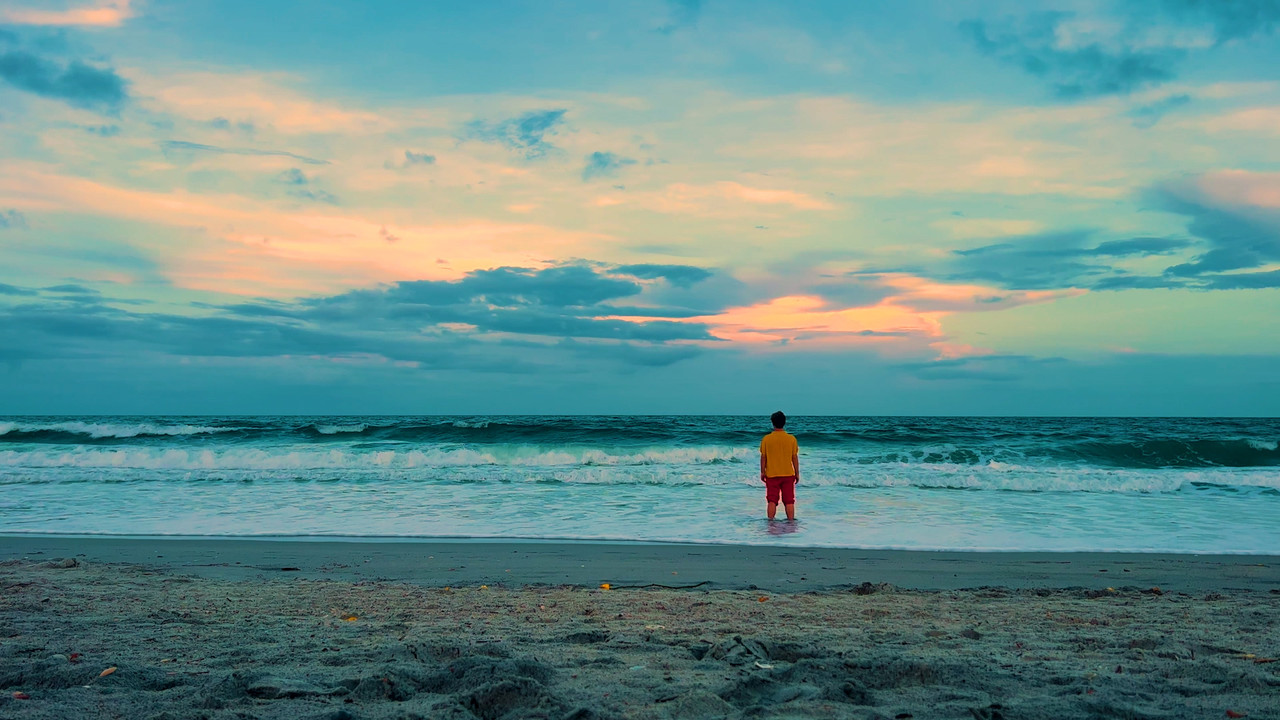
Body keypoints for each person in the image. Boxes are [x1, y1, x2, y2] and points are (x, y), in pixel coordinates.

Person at [759, 410, 799, 521]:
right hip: (788, 474)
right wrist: (797, 473)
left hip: (772, 474)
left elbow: (763, 457)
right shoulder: (791, 439)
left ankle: (770, 523)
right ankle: (791, 524)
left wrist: (762, 472)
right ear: (784, 423)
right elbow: (794, 457)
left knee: (772, 500)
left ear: (772, 423)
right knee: (789, 500)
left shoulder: (766, 439)